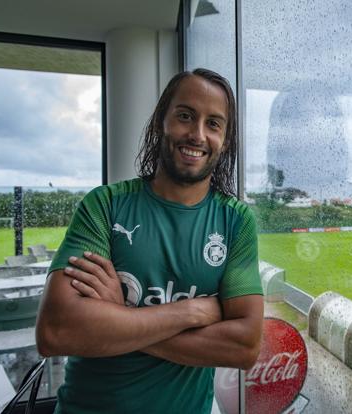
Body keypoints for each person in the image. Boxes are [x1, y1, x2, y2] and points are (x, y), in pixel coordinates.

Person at [36, 68, 264, 413]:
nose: (198, 134)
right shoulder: (106, 205)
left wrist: (121, 315)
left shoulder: (235, 221)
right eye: (185, 116)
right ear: (162, 122)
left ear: (226, 140)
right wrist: (192, 312)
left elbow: (244, 348)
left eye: (213, 124)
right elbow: (56, 332)